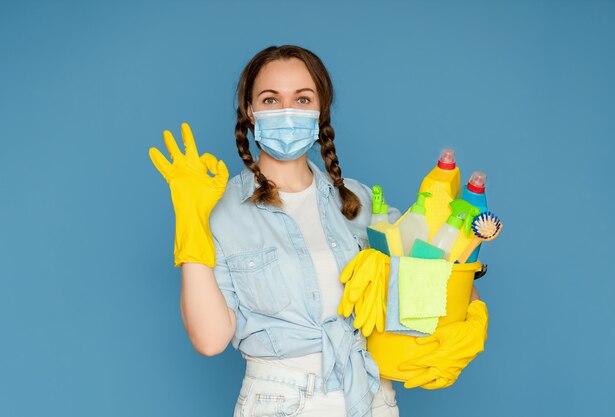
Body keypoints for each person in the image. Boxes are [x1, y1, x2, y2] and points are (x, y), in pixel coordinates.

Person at [149, 44, 480, 417]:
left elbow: (434, 271)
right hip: (281, 401)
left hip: (371, 397)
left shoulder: (358, 201)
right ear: (250, 111)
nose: (288, 111)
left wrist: (468, 314)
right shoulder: (221, 212)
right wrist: (192, 224)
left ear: (320, 110)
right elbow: (210, 340)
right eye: (271, 100)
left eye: (302, 99)